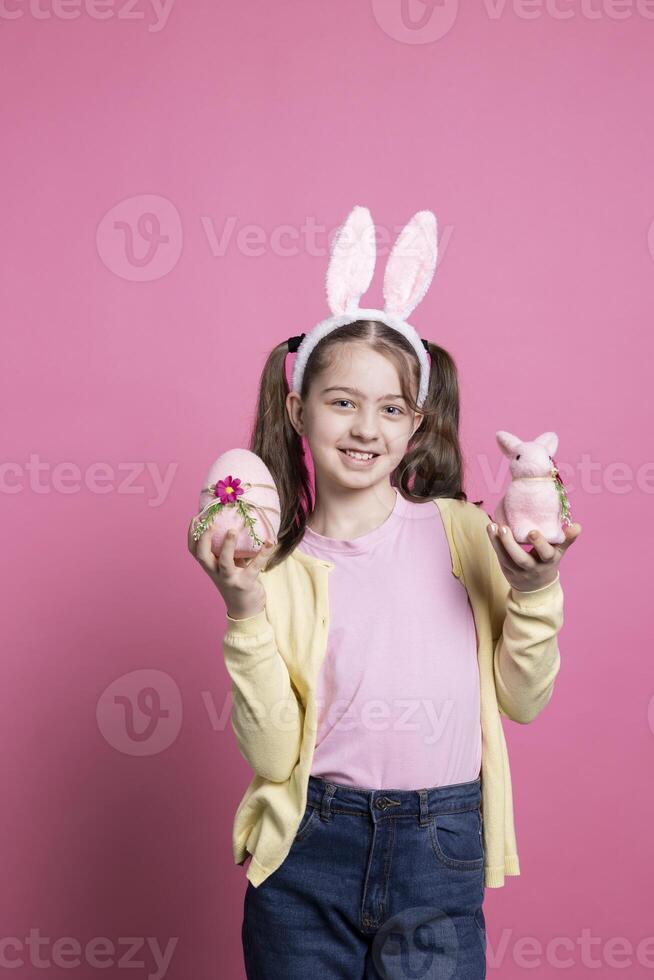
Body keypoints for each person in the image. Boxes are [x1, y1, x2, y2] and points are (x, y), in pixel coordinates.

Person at [187, 208, 582, 978]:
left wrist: (537, 590)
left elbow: (523, 700)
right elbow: (272, 755)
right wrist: (243, 610)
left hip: (441, 843)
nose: (366, 426)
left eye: (391, 407)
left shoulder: (464, 534)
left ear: (415, 424)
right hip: (308, 851)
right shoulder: (271, 567)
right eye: (342, 401)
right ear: (298, 408)